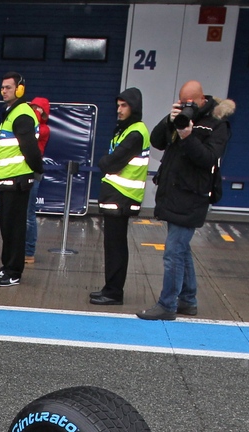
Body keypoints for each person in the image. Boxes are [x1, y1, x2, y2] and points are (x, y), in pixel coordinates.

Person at [136, 80, 234, 321]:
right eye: (182, 102)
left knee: (173, 252)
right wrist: (169, 120)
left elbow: (208, 158)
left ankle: (167, 304)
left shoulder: (217, 125)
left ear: (202, 100)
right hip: (173, 194)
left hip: (192, 197)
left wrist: (188, 136)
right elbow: (157, 141)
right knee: (181, 250)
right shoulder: (178, 120)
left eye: (190, 103)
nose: (186, 106)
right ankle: (188, 300)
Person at [89, 87, 149, 306]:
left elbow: (111, 162)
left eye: (124, 106)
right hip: (117, 196)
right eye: (118, 106)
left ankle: (114, 292)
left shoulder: (135, 132)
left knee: (115, 247)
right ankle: (110, 288)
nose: (119, 110)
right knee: (113, 246)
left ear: (134, 107)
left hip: (123, 197)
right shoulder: (126, 130)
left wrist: (105, 162)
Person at [0, 73, 43, 288]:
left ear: (20, 89)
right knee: (6, 225)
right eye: (2, 87)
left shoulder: (22, 114)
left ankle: (14, 271)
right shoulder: (11, 113)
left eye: (9, 87)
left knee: (16, 227)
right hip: (7, 178)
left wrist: (36, 170)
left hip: (18, 179)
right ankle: (7, 265)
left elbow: (30, 147)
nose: (4, 91)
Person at [24, 96, 51, 264]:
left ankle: (29, 251)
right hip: (21, 171)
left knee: (28, 214)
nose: (33, 111)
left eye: (37, 108)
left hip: (33, 173)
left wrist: (35, 113)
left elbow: (32, 134)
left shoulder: (44, 129)